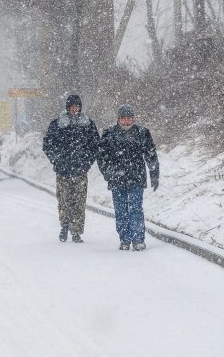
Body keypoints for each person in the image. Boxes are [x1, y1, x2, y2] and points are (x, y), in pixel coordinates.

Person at [97, 104, 159, 251]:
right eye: (124, 119)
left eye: (129, 119)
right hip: (116, 178)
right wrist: (108, 172)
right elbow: (101, 156)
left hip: (136, 177)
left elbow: (151, 155)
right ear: (119, 119)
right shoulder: (109, 133)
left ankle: (138, 239)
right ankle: (124, 239)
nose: (126, 121)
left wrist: (154, 174)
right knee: (120, 210)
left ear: (133, 119)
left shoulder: (142, 133)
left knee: (135, 208)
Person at [42, 94, 100, 243]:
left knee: (79, 202)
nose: (75, 109)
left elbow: (95, 146)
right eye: (73, 107)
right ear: (68, 108)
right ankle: (64, 225)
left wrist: (87, 162)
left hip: (80, 170)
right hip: (63, 171)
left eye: (77, 107)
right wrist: (57, 160)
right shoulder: (57, 125)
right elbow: (47, 145)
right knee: (63, 200)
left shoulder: (88, 125)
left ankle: (76, 231)